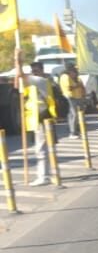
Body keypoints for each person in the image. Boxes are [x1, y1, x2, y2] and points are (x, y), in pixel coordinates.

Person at [16, 56, 55, 186]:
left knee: (41, 148)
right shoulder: (35, 82)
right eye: (33, 70)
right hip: (35, 117)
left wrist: (18, 61)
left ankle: (44, 176)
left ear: (42, 71)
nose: (34, 73)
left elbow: (21, 76)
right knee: (42, 147)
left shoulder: (41, 80)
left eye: (37, 70)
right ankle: (45, 174)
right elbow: (18, 83)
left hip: (43, 116)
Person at [59, 63, 87, 138]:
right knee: (74, 114)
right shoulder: (65, 77)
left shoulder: (77, 78)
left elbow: (82, 86)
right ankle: (72, 132)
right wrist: (78, 85)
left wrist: (83, 94)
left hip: (78, 97)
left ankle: (76, 130)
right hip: (70, 97)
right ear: (70, 70)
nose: (76, 71)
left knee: (77, 114)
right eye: (74, 69)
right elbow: (69, 88)